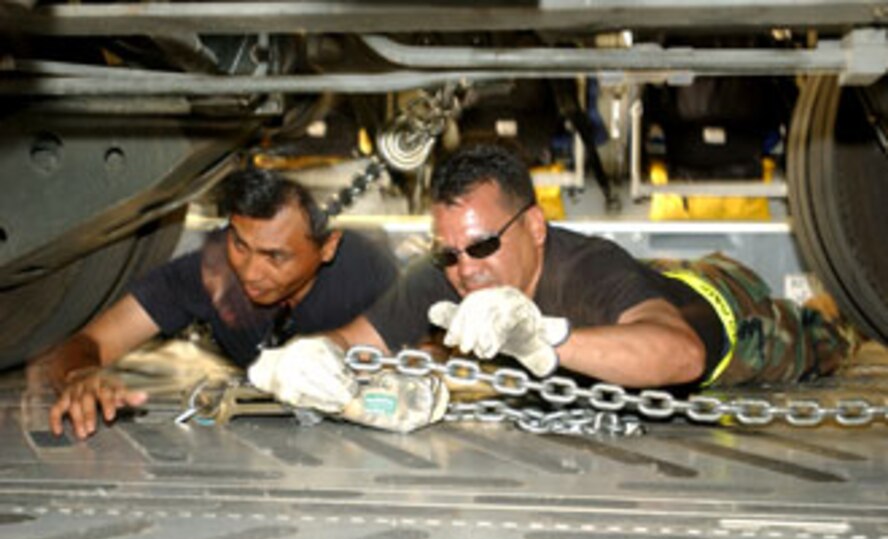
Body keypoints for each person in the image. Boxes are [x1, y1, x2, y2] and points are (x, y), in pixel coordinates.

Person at [248, 143, 852, 429]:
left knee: (821, 334)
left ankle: (825, 309)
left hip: (731, 316)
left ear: (534, 226)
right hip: (650, 283)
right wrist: (298, 362)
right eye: (450, 252)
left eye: (484, 246)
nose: (466, 270)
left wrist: (544, 338)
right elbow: (357, 340)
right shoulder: (446, 273)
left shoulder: (584, 269)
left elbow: (683, 355)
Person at [32, 167, 399, 439]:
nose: (251, 272)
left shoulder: (371, 277)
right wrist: (80, 376)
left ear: (328, 246)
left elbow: (433, 355)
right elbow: (89, 343)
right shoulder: (210, 274)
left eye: (275, 256)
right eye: (240, 244)